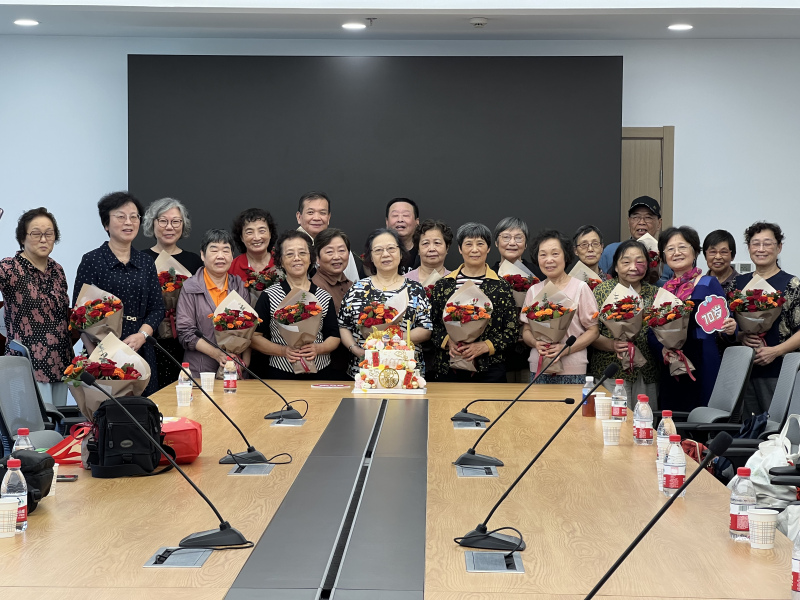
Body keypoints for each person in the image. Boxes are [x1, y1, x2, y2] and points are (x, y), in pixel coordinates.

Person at [74, 192, 165, 395]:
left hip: (139, 347)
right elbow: (79, 315)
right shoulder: (92, 260)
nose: (129, 222)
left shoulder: (146, 262)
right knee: (109, 409)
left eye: (134, 217)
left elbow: (157, 308)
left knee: (144, 408)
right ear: (106, 224)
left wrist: (142, 336)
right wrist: (96, 356)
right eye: (121, 216)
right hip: (102, 351)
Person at [648, 226, 736, 412]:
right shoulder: (663, 291)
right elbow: (651, 330)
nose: (676, 253)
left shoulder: (708, 283)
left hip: (702, 360)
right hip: (672, 363)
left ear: (695, 251)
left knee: (702, 417)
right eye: (670, 249)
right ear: (663, 256)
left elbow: (727, 324)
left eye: (682, 247)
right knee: (672, 418)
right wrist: (663, 351)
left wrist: (730, 329)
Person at [0, 208, 73, 406]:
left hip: (60, 363)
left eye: (49, 233)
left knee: (59, 423)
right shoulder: (9, 268)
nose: (43, 239)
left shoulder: (57, 270)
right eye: (36, 234)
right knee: (30, 423)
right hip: (26, 365)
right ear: (22, 238)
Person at [429, 223, 517, 383]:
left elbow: (512, 331)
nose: (474, 249)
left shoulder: (502, 286)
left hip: (490, 371)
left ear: (488, 248)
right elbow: (432, 325)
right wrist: (447, 341)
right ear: (460, 249)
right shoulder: (443, 285)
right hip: (449, 369)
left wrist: (485, 346)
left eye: (480, 244)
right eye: (468, 244)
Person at [339, 228, 432, 379]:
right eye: (378, 250)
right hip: (365, 371)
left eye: (391, 248)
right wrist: (356, 349)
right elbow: (343, 326)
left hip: (406, 373)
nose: (385, 254)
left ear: (401, 253)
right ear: (371, 257)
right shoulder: (357, 289)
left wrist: (392, 338)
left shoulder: (415, 289)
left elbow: (426, 329)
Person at [250, 231, 341, 379]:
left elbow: (334, 336)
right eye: (290, 254)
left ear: (311, 258)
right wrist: (282, 351)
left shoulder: (324, 296)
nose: (297, 258)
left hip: (320, 373)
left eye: (302, 253)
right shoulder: (269, 296)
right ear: (280, 260)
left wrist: (318, 348)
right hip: (281, 373)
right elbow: (254, 336)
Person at [735, 222, 800, 416]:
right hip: (743, 372)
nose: (761, 249)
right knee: (747, 429)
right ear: (749, 248)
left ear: (779, 247)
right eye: (755, 243)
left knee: (777, 427)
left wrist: (775, 351)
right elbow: (727, 327)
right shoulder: (738, 284)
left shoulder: (792, 284)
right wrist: (740, 335)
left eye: (767, 243)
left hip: (779, 372)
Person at [521, 229, 599, 384]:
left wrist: (566, 349)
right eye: (543, 255)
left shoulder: (580, 288)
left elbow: (593, 331)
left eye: (555, 254)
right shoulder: (533, 291)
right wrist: (535, 343)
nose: (549, 259)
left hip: (572, 367)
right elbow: (526, 330)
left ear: (566, 256)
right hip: (538, 366)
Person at [140, 197, 203, 389]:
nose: (169, 227)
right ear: (152, 223)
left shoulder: (194, 261)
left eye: (176, 221)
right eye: (163, 221)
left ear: (183, 225)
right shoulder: (141, 259)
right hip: (149, 339)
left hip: (185, 342)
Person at [590, 240, 659, 405]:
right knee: (613, 417)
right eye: (626, 262)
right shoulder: (601, 291)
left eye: (639, 262)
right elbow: (590, 332)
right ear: (616, 266)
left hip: (646, 369)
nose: (633, 267)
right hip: (610, 368)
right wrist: (612, 345)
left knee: (645, 416)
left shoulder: (655, 294)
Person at [176, 229, 249, 377]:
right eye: (214, 250)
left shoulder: (239, 286)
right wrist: (217, 354)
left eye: (226, 250)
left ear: (232, 256)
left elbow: (248, 329)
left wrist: (244, 364)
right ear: (203, 255)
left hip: (234, 370)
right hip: (199, 370)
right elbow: (185, 332)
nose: (220, 256)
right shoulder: (190, 287)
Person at [599, 196, 673, 286]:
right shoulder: (611, 251)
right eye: (636, 217)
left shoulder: (669, 254)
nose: (641, 222)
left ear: (659, 223)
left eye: (648, 217)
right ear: (628, 222)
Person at [311, 227, 354, 378]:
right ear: (317, 258)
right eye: (329, 252)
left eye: (342, 250)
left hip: (351, 363)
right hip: (327, 366)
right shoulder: (314, 288)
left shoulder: (353, 286)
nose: (337, 257)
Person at [296, 191, 363, 282]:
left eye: (322, 213)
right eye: (310, 212)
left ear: (329, 217)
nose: (317, 218)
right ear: (299, 217)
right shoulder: (289, 247)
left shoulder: (341, 246)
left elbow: (355, 282)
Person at [229, 208, 278, 283]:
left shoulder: (282, 262)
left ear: (270, 234)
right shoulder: (232, 268)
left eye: (262, 231)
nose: (257, 237)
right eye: (249, 232)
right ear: (241, 237)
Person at [405, 220, 452, 284]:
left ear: (447, 247)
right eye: (425, 243)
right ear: (418, 249)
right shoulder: (404, 282)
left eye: (437, 243)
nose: (431, 249)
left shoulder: (455, 280)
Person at [386, 198, 420, 272]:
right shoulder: (378, 253)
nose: (400, 220)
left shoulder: (425, 252)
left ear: (417, 222)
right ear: (387, 222)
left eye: (406, 215)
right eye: (395, 215)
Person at [702, 229, 739, 296]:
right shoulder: (699, 284)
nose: (718, 257)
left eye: (724, 252)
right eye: (713, 252)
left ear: (732, 256)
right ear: (705, 256)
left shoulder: (743, 283)